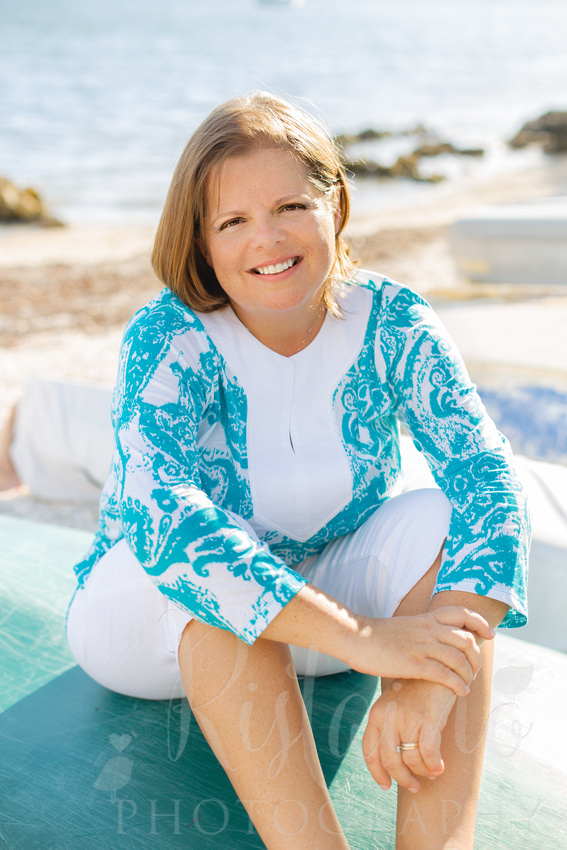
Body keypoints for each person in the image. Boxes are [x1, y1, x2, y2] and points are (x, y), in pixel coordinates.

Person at [64, 91, 530, 849]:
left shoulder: (392, 320)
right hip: (144, 621)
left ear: (334, 205)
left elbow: (486, 477)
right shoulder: (171, 334)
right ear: (202, 242)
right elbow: (166, 521)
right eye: (232, 222)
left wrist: (428, 678)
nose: (267, 239)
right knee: (213, 585)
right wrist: (365, 641)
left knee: (442, 519)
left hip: (324, 602)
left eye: (289, 206)